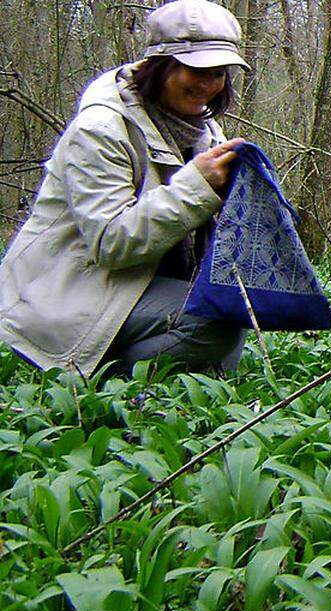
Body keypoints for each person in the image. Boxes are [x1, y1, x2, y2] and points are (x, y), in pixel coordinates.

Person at [0, 0, 252, 377]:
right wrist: (198, 186)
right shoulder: (100, 129)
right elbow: (111, 242)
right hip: (70, 293)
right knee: (213, 320)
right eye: (194, 69)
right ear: (160, 64)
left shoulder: (200, 129)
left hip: (137, 283)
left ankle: (191, 396)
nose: (207, 85)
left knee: (236, 307)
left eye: (218, 73)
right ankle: (107, 383)